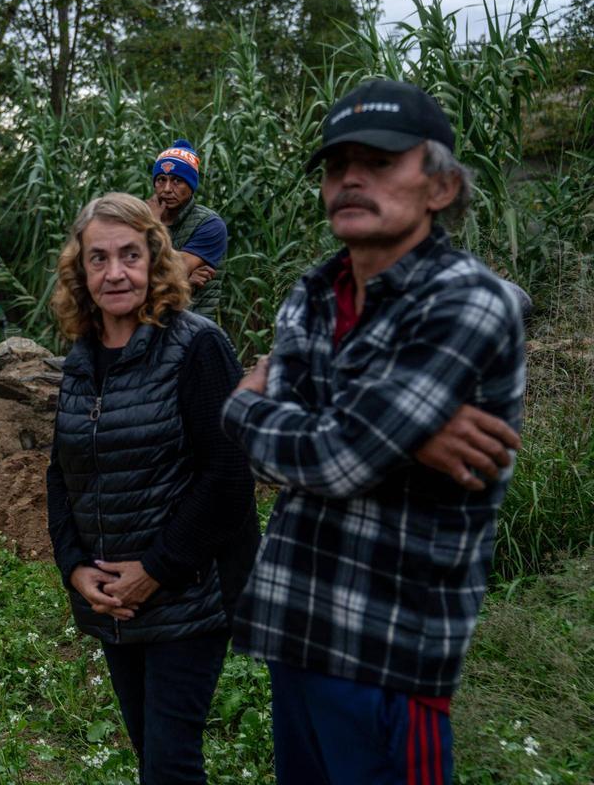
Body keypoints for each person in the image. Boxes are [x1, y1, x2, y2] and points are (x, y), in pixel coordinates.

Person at [220, 80, 526, 784]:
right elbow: (319, 449)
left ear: (442, 187)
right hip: (296, 630)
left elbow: (332, 459)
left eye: (381, 161)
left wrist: (240, 405)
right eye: (336, 165)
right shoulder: (314, 290)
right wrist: (390, 430)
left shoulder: (468, 300)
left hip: (387, 651)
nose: (351, 178)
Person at [46, 192, 260, 783]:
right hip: (114, 598)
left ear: (155, 259)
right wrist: (74, 567)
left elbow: (229, 476)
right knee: (150, 751)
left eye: (130, 255)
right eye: (98, 259)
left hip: (188, 595)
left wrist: (156, 569)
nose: (115, 272)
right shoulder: (80, 359)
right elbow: (60, 473)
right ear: (80, 271)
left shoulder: (197, 346)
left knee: (169, 764)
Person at [147, 139, 229, 321]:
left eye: (177, 181)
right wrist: (186, 282)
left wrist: (152, 227)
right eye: (161, 180)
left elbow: (172, 273)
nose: (167, 189)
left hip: (192, 326)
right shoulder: (138, 219)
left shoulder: (209, 224)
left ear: (191, 187)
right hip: (145, 323)